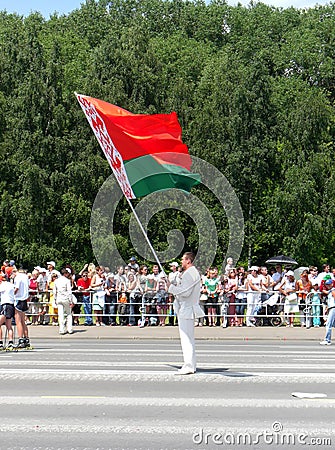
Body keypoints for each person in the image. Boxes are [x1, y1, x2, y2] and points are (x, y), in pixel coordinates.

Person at [168, 252, 204, 375]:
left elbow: (185, 292)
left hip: (187, 309)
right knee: (188, 338)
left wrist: (171, 288)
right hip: (186, 307)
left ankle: (188, 365)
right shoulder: (191, 273)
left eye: (183, 260)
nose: (181, 262)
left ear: (188, 260)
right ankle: (191, 364)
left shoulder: (190, 273)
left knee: (186, 338)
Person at [12, 268, 31, 348]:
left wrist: (12, 294)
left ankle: (20, 339)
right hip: (24, 299)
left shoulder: (18, 277)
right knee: (23, 321)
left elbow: (16, 288)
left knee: (18, 320)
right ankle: (26, 338)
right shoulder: (25, 277)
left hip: (18, 299)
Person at [53, 268, 74, 335]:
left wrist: (55, 299)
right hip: (66, 299)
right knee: (69, 314)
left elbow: (54, 291)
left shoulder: (56, 281)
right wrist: (71, 300)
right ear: (65, 273)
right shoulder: (67, 281)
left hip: (59, 299)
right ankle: (69, 329)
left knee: (60, 314)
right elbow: (69, 291)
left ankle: (61, 329)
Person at [0, 275, 15, 350]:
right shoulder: (11, 285)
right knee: (9, 326)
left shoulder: (3, 285)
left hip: (5, 304)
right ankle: (10, 342)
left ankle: (0, 342)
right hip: (11, 305)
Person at [320, 279, 335, 345]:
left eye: (329, 284)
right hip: (331, 308)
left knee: (328, 324)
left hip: (333, 308)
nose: (328, 285)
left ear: (332, 284)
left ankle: (327, 340)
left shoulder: (333, 290)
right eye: (327, 284)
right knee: (333, 324)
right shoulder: (330, 291)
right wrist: (327, 308)